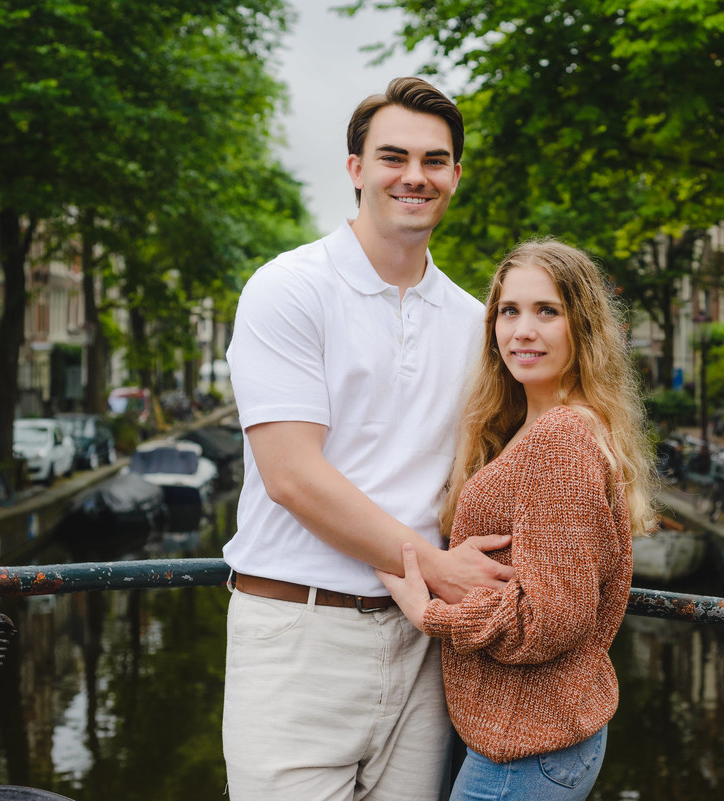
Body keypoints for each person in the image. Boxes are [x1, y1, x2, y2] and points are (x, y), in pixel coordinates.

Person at [221, 77, 515, 801]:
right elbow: (292, 476)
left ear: (454, 176)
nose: (415, 176)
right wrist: (440, 567)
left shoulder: (475, 322)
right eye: (393, 156)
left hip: (422, 642)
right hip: (298, 632)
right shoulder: (289, 289)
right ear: (356, 170)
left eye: (435, 160)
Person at [377, 239, 658, 801]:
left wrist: (431, 610)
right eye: (509, 311)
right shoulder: (531, 427)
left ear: (582, 326)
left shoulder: (560, 440)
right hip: (528, 734)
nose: (522, 331)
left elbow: (549, 620)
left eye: (546, 311)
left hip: (527, 749)